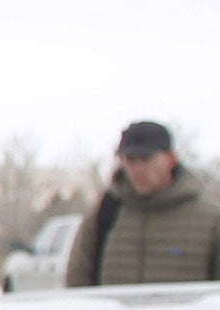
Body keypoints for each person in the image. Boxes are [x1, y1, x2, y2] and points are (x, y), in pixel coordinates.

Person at [64, 120, 220, 287]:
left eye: (146, 159)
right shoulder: (104, 214)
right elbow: (78, 284)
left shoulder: (210, 220)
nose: (138, 170)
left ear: (170, 159)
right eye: (130, 160)